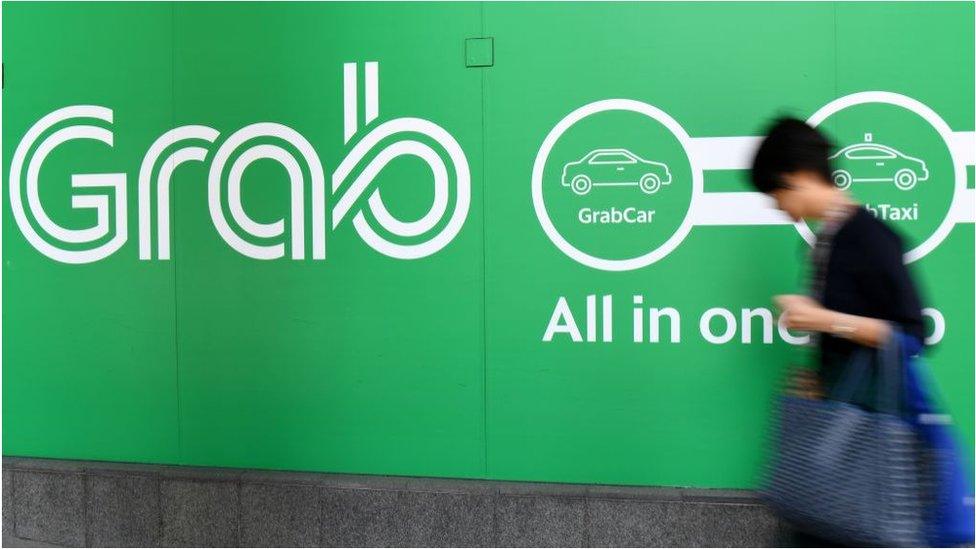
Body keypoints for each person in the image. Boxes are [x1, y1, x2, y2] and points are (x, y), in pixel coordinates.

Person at [749, 117, 925, 395]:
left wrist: (819, 319)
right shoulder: (827, 238)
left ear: (797, 177)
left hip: (879, 425)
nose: (777, 206)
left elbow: (912, 337)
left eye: (775, 193)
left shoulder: (869, 235)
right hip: (846, 412)